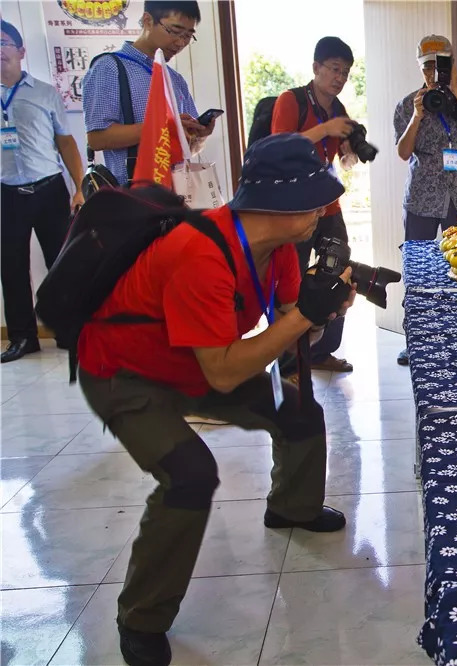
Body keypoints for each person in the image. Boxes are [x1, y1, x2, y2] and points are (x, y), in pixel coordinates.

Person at [76, 134, 355, 666]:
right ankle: (140, 617)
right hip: (124, 372)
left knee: (298, 409)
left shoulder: (279, 252)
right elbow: (224, 374)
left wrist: (325, 307)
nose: (324, 209)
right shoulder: (200, 252)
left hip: (196, 360)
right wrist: (304, 316)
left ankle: (291, 508)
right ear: (278, 203)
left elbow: (295, 332)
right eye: (316, 200)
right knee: (189, 473)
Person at [393, 34, 457, 365]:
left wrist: (456, 91)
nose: (434, 72)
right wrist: (418, 115)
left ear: (453, 64)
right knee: (417, 273)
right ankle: (416, 339)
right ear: (420, 67)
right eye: (428, 66)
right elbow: (403, 151)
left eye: (442, 64)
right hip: (423, 196)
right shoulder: (409, 104)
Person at [271, 36, 357, 375]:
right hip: (293, 210)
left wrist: (351, 148)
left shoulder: (338, 109)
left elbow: (342, 157)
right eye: (335, 69)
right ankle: (288, 364)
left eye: (346, 72)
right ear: (316, 68)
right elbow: (279, 149)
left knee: (339, 274)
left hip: (328, 207)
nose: (339, 78)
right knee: (291, 285)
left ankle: (322, 352)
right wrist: (326, 129)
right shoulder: (291, 100)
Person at [1, 20, 85, 363]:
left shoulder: (45, 91)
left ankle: (69, 332)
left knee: (61, 263)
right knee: (12, 266)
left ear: (21, 51)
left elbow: (65, 142)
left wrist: (79, 186)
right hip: (6, 191)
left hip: (49, 188)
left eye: (4, 42)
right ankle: (23, 338)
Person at [82, 0, 213, 187]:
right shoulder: (109, 67)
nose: (181, 42)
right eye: (175, 32)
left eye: (188, 36)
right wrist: (161, 128)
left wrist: (200, 135)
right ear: (148, 20)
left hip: (177, 193)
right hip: (133, 194)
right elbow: (97, 138)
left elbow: (189, 149)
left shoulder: (175, 79)